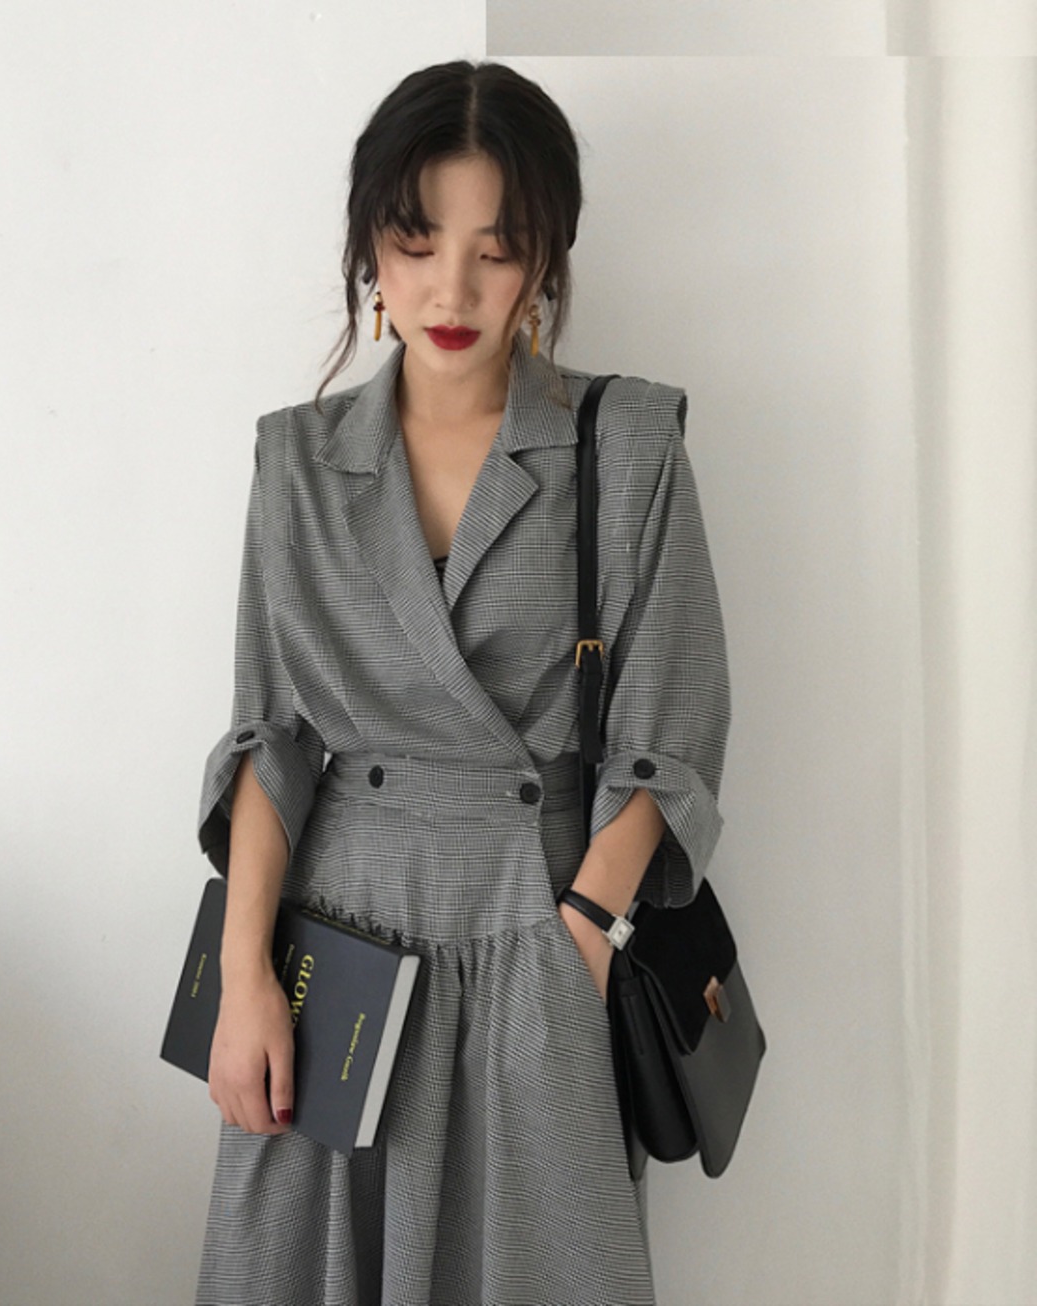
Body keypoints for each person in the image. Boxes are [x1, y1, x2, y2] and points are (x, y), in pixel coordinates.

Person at [192, 59, 731, 1306]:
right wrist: (245, 975)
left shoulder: (625, 444)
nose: (450, 288)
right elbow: (271, 738)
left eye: (496, 250)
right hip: (338, 939)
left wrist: (578, 940)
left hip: (533, 923)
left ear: (543, 261)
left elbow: (668, 728)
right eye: (415, 240)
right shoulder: (297, 461)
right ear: (367, 249)